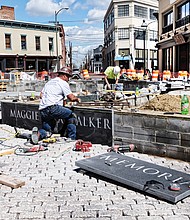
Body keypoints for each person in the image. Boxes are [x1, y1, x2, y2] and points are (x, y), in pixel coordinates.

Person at [37, 66, 80, 142]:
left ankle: (38, 135)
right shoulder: (63, 83)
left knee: (48, 131)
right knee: (71, 115)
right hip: (53, 108)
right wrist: (77, 99)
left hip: (43, 109)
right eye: (68, 77)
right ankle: (71, 138)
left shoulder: (49, 82)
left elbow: (41, 95)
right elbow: (71, 98)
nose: (68, 79)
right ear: (64, 76)